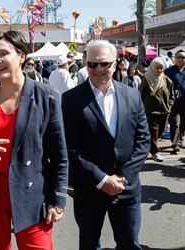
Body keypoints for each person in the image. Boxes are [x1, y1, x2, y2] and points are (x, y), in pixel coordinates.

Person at [0, 30, 68, 250]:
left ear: (21, 55)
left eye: (4, 53)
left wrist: (59, 199)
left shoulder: (47, 96)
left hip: (32, 190)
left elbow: (59, 155)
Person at [61, 39, 150, 250]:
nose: (99, 69)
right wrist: (102, 180)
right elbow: (70, 147)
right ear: (85, 63)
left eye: (105, 64)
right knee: (90, 244)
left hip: (126, 188)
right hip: (89, 189)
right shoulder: (70, 99)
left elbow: (143, 140)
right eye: (93, 64)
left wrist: (123, 178)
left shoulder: (132, 95)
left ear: (115, 63)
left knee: (129, 243)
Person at [140, 58, 174, 162]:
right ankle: (155, 152)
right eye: (157, 68)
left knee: (160, 131)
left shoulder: (166, 80)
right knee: (153, 131)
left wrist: (169, 106)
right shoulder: (146, 79)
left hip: (163, 111)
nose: (159, 70)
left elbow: (171, 96)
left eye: (161, 68)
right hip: (150, 111)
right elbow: (141, 95)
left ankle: (147, 146)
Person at [165, 50, 185, 152]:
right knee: (175, 123)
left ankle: (180, 139)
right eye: (178, 57)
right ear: (174, 59)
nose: (180, 59)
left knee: (183, 123)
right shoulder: (168, 71)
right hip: (174, 102)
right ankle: (175, 143)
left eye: (183, 57)